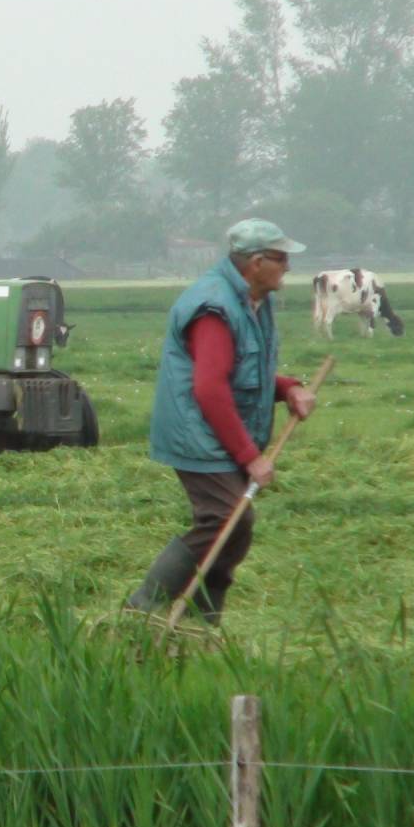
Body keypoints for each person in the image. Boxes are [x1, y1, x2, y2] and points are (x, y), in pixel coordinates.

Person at [124, 218, 317, 625]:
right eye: (282, 259)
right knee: (227, 518)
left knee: (234, 527)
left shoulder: (254, 301)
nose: (289, 267)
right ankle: (143, 607)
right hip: (196, 431)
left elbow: (242, 371)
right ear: (256, 262)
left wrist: (289, 389)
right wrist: (250, 457)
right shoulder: (214, 307)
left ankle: (202, 621)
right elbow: (210, 389)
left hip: (220, 427)